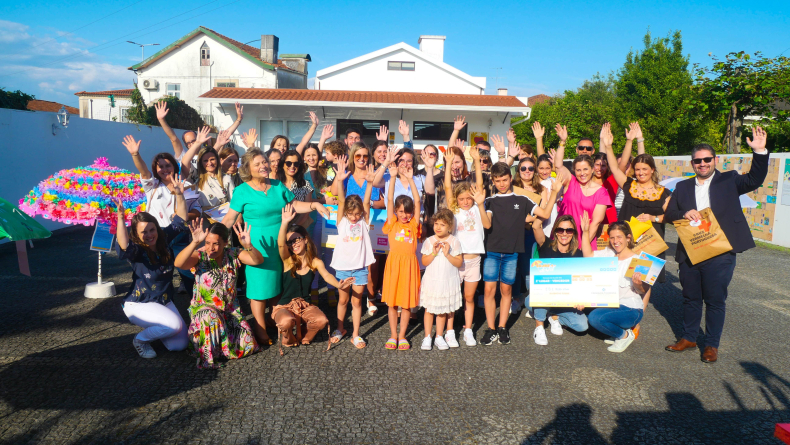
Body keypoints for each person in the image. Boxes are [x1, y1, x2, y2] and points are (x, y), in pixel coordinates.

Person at [663, 126, 769, 364]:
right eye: (698, 161)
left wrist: (760, 152)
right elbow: (669, 214)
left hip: (720, 251)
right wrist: (683, 212)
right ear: (692, 163)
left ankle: (711, 345)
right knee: (690, 298)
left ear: (715, 160)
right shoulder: (682, 187)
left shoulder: (729, 180)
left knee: (714, 299)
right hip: (691, 250)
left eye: (707, 160)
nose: (702, 164)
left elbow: (755, 179)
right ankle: (689, 338)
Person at [221, 148, 330, 346]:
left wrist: (314, 205)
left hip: (280, 244)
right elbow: (229, 218)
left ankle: (274, 318)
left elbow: (294, 205)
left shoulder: (277, 185)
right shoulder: (241, 191)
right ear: (247, 169)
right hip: (255, 246)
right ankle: (260, 328)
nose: (263, 166)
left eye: (264, 162)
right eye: (257, 164)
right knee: (258, 288)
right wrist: (215, 237)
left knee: (277, 284)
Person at [480, 162, 563, 346]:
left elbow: (545, 213)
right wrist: (480, 204)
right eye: (497, 180)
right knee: (488, 290)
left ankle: (502, 327)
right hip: (492, 252)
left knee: (506, 290)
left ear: (511, 178)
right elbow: (487, 224)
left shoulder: (523, 199)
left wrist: (554, 193)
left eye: (504, 179)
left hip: (511, 254)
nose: (501, 184)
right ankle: (491, 328)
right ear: (493, 181)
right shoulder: (489, 201)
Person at [112, 179, 189, 359]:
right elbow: (123, 245)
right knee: (174, 325)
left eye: (151, 229)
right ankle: (140, 340)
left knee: (180, 345)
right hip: (139, 304)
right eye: (143, 232)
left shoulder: (164, 238)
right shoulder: (136, 250)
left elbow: (181, 220)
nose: (149, 235)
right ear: (136, 235)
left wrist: (179, 195)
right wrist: (121, 218)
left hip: (164, 301)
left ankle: (159, 326)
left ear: (156, 228)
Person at [173, 219, 263, 368]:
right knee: (211, 318)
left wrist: (248, 246)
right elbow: (178, 263)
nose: (211, 248)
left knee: (248, 345)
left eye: (216, 243)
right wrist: (195, 243)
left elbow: (257, 260)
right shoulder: (200, 256)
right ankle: (208, 356)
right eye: (208, 243)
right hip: (205, 311)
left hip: (229, 311)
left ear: (225, 242)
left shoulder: (233, 254)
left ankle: (221, 346)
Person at [122, 135, 202, 291]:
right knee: (158, 273)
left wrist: (184, 217)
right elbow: (143, 171)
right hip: (155, 235)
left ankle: (195, 301)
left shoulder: (186, 184)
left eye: (168, 165)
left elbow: (196, 210)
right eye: (161, 166)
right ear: (156, 169)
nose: (165, 169)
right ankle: (161, 299)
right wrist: (135, 154)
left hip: (179, 233)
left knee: (187, 272)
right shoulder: (152, 185)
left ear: (174, 167)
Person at [600, 123, 672, 282]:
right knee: (622, 280)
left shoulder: (663, 193)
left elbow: (672, 217)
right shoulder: (628, 185)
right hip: (627, 244)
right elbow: (615, 167)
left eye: (645, 169)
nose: (641, 172)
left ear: (652, 170)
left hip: (650, 246)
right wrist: (608, 146)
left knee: (644, 283)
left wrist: (653, 218)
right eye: (638, 169)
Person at [276, 205, 353, 351]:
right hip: (285, 305)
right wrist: (284, 222)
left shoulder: (315, 262)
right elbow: (280, 245)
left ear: (305, 239)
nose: (294, 244)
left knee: (321, 320)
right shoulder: (288, 260)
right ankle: (288, 338)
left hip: (305, 305)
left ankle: (305, 335)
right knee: (286, 321)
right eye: (290, 242)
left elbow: (327, 275)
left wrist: (339, 285)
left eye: (296, 239)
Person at [580, 214, 650, 353]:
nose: (615, 241)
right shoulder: (609, 254)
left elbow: (644, 291)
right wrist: (586, 232)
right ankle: (618, 331)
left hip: (631, 309)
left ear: (628, 238)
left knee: (595, 318)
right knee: (589, 315)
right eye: (612, 238)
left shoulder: (638, 260)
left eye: (619, 237)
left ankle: (624, 336)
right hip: (613, 305)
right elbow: (588, 256)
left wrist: (638, 284)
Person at [328, 157, 377, 348]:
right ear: (346, 213)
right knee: (343, 300)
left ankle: (356, 334)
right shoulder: (342, 222)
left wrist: (370, 183)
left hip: (360, 269)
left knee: (357, 303)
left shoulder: (364, 221)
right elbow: (341, 201)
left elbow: (366, 202)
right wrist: (340, 180)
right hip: (342, 268)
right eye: (351, 214)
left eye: (357, 214)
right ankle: (340, 328)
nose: (355, 217)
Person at [381, 150, 422, 350]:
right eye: (401, 212)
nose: (404, 215)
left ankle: (403, 335)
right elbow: (390, 200)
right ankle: (392, 335)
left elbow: (418, 201)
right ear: (396, 212)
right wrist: (393, 178)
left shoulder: (413, 224)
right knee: (392, 303)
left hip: (409, 265)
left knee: (406, 303)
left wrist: (411, 180)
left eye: (407, 212)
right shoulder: (392, 223)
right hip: (394, 263)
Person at [526, 215, 588, 346]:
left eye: (569, 230)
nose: (564, 234)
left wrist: (581, 298)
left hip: (565, 302)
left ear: (573, 233)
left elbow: (580, 281)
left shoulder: (577, 254)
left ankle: (554, 317)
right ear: (555, 231)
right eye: (560, 230)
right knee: (537, 294)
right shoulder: (546, 245)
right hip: (542, 297)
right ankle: (539, 327)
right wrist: (547, 204)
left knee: (582, 326)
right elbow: (536, 226)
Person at [553, 125, 611, 250]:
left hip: (585, 244)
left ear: (592, 169)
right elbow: (558, 166)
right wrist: (562, 142)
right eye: (578, 170)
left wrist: (580, 247)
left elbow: (595, 223)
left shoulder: (601, 192)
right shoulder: (570, 182)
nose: (582, 173)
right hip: (561, 240)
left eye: (585, 169)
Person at [449, 182, 491, 346]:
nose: (465, 202)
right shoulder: (454, 211)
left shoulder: (478, 208)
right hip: (457, 261)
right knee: (453, 297)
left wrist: (480, 203)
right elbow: (447, 188)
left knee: (469, 297)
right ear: (456, 199)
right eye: (461, 199)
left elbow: (487, 225)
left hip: (474, 261)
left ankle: (468, 330)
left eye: (468, 198)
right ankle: (450, 331)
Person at [419, 209, 463, 351]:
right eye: (436, 224)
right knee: (429, 309)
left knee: (442, 310)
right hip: (432, 281)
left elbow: (459, 263)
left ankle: (439, 336)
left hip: (447, 281)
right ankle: (427, 336)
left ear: (449, 226)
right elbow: (424, 262)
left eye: (442, 225)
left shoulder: (454, 242)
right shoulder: (429, 241)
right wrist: (434, 252)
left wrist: (447, 254)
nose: (438, 227)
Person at [277, 150, 314, 228]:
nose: (292, 166)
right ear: (283, 165)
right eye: (288, 163)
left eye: (296, 164)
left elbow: (306, 212)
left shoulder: (305, 185)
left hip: (297, 228)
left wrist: (293, 228)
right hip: (277, 227)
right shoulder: (276, 184)